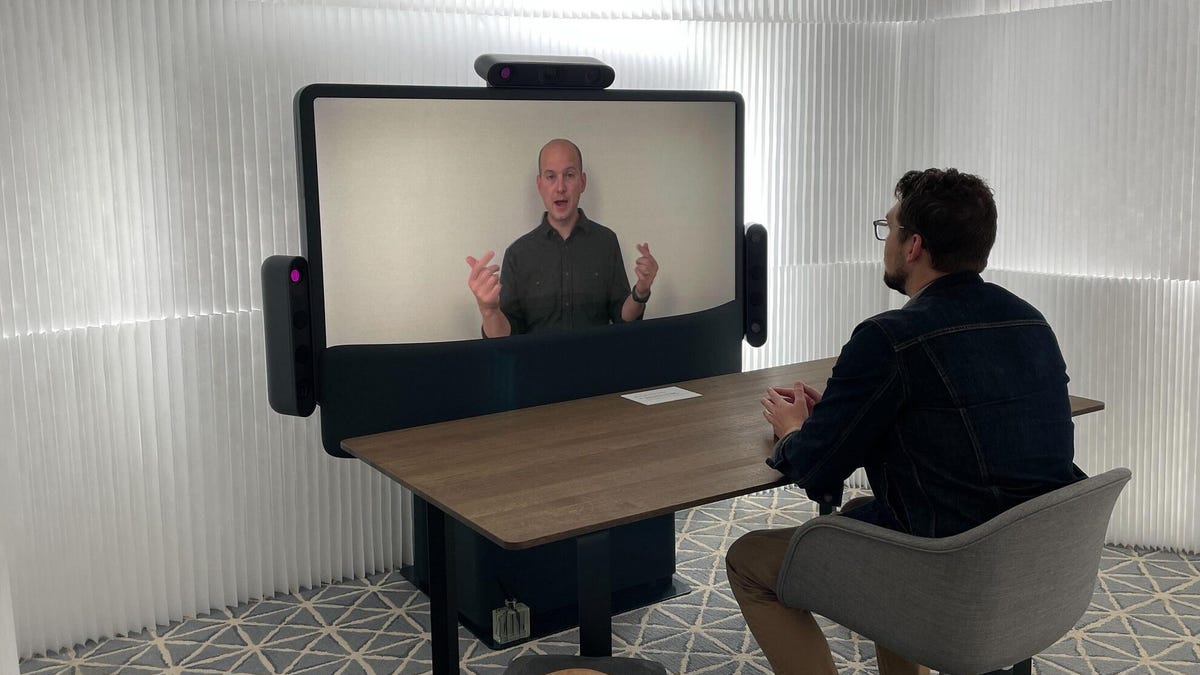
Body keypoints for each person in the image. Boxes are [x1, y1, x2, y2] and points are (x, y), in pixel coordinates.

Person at [725, 168, 1085, 675]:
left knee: (748, 559)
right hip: (1034, 573)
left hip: (946, 578)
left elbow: (816, 471)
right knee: (871, 515)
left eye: (888, 229)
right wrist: (849, 405)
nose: (886, 242)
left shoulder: (889, 338)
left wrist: (794, 429)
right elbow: (954, 414)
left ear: (913, 245)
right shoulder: (1029, 320)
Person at [465, 138, 659, 337]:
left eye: (569, 175)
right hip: (537, 366)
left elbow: (622, 318)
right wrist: (489, 311)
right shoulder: (518, 254)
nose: (560, 187)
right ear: (539, 185)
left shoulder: (606, 242)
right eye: (551, 177)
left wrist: (641, 291)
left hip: (597, 364)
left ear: (582, 182)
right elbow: (506, 337)